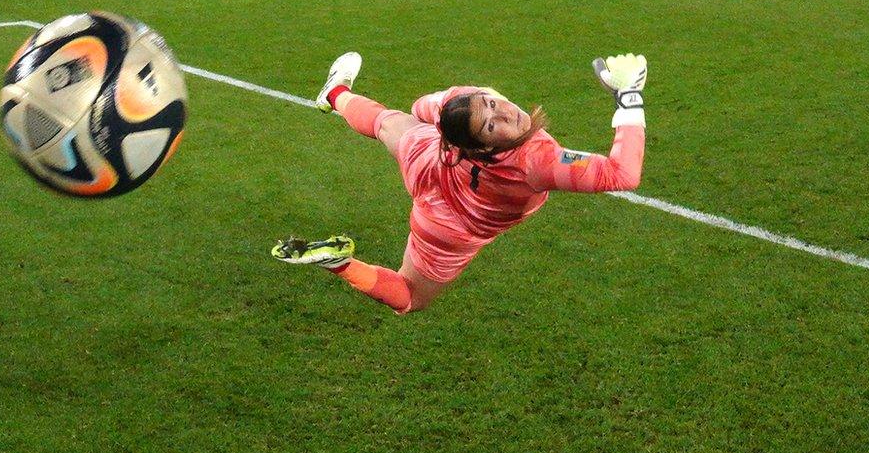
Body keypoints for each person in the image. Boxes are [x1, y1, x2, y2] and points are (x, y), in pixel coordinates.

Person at [271, 51, 648, 314]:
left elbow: (422, 109)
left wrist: (452, 122)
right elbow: (623, 174)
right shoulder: (536, 160)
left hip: (431, 163)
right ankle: (340, 264)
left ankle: (335, 94)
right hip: (452, 227)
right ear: (481, 146)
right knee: (410, 297)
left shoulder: (458, 103)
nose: (504, 112)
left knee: (388, 121)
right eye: (489, 124)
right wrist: (628, 97)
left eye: (491, 103)